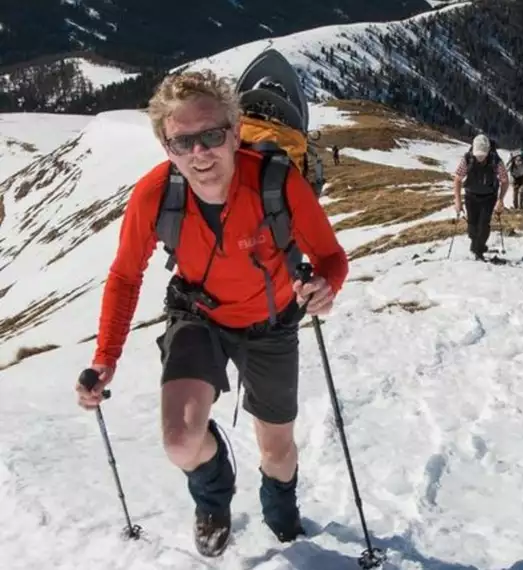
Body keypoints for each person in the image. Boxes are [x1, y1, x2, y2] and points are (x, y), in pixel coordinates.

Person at [74, 69, 349, 557]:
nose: (199, 154)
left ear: (235, 130)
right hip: (198, 315)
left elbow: (330, 257)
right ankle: (213, 499)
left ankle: (281, 511)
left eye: (212, 135)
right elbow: (124, 277)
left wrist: (328, 286)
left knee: (277, 452)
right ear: (166, 144)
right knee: (181, 441)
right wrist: (105, 357)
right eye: (182, 142)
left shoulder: (277, 184)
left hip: (272, 322)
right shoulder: (155, 195)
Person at [452, 134, 509, 260]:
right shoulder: (468, 159)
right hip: (471, 196)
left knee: (483, 225)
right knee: (472, 225)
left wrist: (500, 200)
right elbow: (457, 179)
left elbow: (505, 181)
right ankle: (476, 244)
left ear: (488, 150)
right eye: (478, 155)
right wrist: (457, 201)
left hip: (489, 197)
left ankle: (479, 251)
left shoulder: (496, 161)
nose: (480, 158)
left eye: (483, 155)